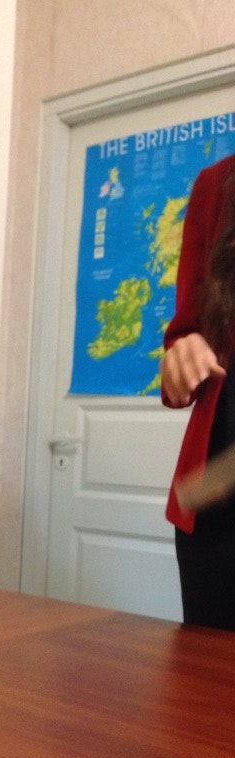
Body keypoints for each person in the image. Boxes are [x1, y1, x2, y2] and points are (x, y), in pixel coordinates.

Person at [161, 152, 235, 629]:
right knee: (204, 669)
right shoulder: (216, 183)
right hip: (217, 497)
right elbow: (184, 332)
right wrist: (181, 356)